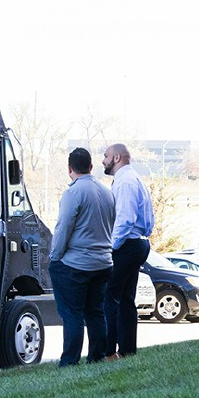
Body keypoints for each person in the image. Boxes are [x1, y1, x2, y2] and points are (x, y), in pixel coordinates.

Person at [48, 148, 115, 365]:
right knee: (96, 312)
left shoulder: (73, 193)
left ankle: (70, 360)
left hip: (76, 264)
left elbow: (64, 227)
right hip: (103, 262)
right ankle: (96, 356)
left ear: (70, 169)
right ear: (91, 166)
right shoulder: (106, 192)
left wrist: (55, 257)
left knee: (72, 313)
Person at [102, 143, 153, 357]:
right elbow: (148, 221)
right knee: (125, 300)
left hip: (126, 245)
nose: (103, 161)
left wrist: (110, 247)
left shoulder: (125, 182)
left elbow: (124, 219)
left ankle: (108, 351)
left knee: (109, 297)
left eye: (105, 156)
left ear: (116, 158)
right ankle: (127, 350)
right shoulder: (135, 179)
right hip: (137, 243)